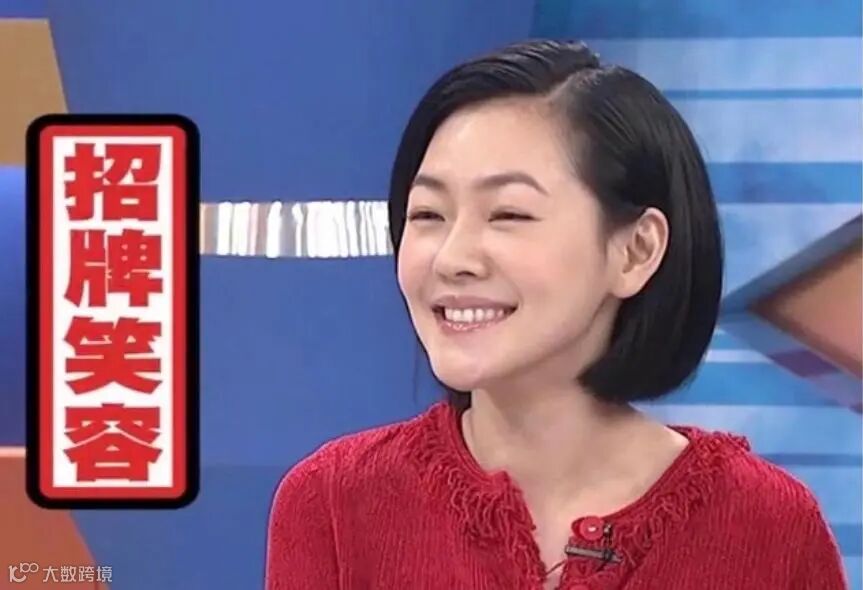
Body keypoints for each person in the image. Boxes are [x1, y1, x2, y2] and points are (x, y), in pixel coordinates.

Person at [264, 39, 847, 589]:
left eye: (508, 214)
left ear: (636, 250)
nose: (453, 258)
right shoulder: (334, 501)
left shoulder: (768, 527)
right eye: (428, 215)